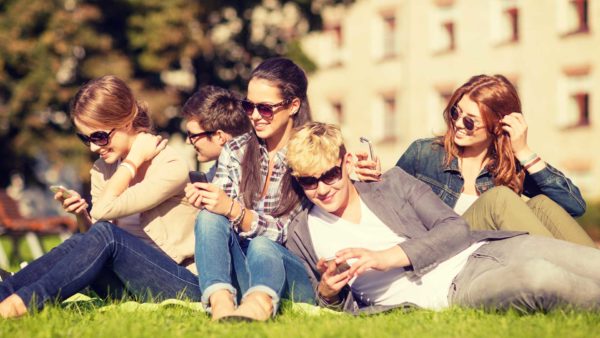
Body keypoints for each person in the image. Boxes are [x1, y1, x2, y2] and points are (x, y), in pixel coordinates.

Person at [286, 122, 600, 314]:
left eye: (329, 175)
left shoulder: (391, 182)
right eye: (309, 182)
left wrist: (387, 257)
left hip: (483, 251)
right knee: (541, 277)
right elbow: (337, 308)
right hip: (455, 288)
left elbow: (456, 228)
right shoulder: (303, 234)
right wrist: (329, 292)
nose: (323, 189)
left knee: (591, 264)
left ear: (347, 161)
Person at [0, 75, 201, 318]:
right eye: (86, 139)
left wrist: (133, 160)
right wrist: (81, 215)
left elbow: (105, 217)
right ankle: (4, 293)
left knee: (107, 235)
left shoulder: (169, 165)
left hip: (181, 282)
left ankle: (21, 305)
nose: (94, 147)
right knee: (77, 242)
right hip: (127, 281)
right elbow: (96, 237)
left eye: (99, 136)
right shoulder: (103, 169)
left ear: (127, 121)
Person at [356, 74, 594, 247]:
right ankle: (567, 272)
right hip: (443, 254)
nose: (458, 123)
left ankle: (593, 274)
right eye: (455, 113)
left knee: (541, 204)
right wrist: (375, 180)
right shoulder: (424, 153)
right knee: (499, 198)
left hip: (492, 256)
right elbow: (388, 210)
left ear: (498, 125)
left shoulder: (508, 165)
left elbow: (574, 206)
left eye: (470, 121)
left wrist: (524, 152)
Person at [184, 57, 314, 322]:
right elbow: (220, 213)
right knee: (209, 216)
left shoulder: (311, 152)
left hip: (291, 272)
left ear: (293, 106)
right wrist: (211, 202)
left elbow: (289, 233)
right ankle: (220, 304)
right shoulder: (236, 149)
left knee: (263, 246)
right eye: (249, 106)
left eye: (265, 108)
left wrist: (235, 211)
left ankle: (259, 306)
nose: (254, 115)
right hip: (243, 267)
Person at [181, 85, 252, 182]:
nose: (188, 141)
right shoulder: (221, 164)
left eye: (192, 135)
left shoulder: (246, 172)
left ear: (220, 137)